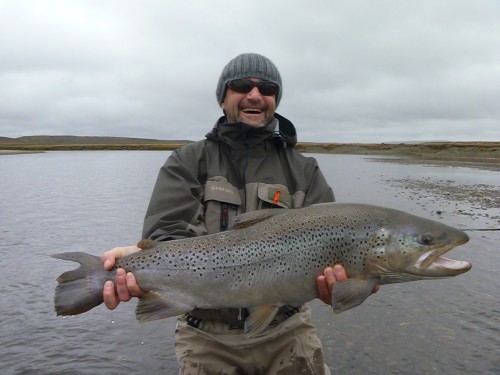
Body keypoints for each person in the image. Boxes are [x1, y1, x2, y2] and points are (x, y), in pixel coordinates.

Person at [101, 53, 374, 375]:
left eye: (267, 89)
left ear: (275, 100)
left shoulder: (304, 169)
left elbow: (333, 248)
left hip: (288, 331)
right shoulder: (187, 161)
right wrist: (137, 268)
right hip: (204, 336)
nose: (255, 95)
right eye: (242, 86)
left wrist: (347, 283)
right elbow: (167, 235)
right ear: (222, 98)